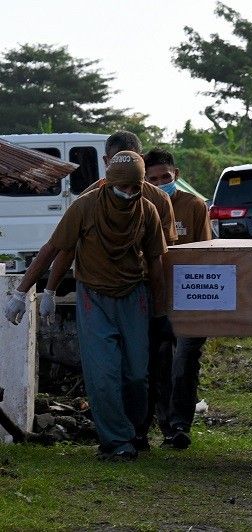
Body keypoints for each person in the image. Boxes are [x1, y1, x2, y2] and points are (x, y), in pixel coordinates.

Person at [5, 152, 168, 460]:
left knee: (136, 374)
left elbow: (157, 263)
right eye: (123, 186)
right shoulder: (86, 206)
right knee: (103, 373)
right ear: (108, 182)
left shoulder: (147, 210)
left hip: (134, 296)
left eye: (136, 187)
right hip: (94, 296)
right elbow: (56, 249)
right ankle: (116, 441)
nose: (129, 193)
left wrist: (161, 311)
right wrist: (24, 293)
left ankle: (135, 432)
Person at [142, 148, 212, 449]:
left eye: (165, 177)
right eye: (153, 179)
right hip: (154, 296)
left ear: (176, 175)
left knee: (184, 360)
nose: (160, 184)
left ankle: (180, 424)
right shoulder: (142, 206)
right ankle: (164, 425)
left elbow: (208, 253)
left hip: (190, 298)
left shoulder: (195, 206)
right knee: (158, 361)